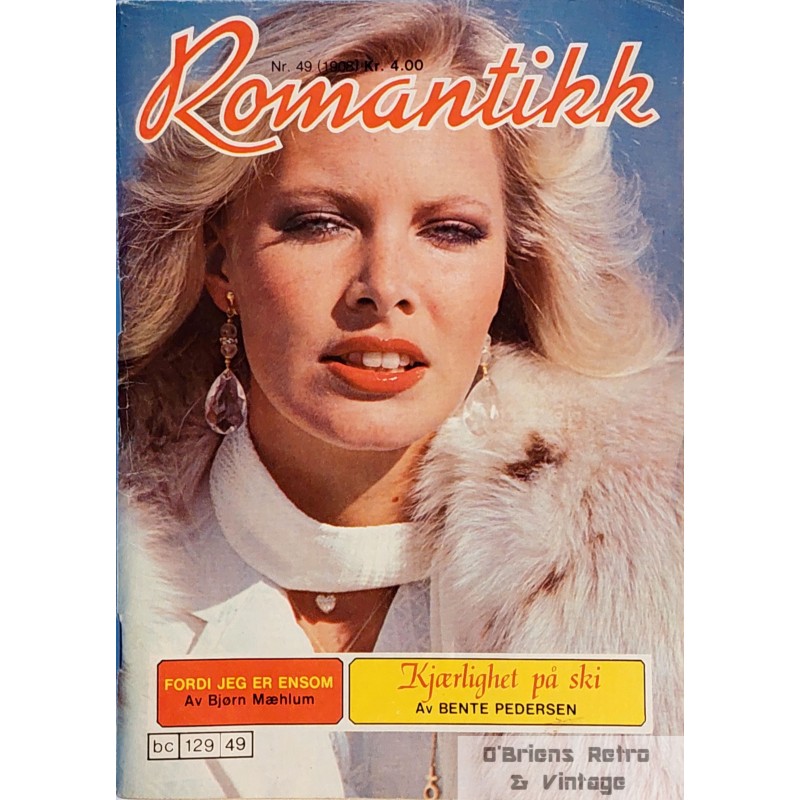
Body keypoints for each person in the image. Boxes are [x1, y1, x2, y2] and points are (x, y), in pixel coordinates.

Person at [117, 1, 682, 798]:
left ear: (512, 270)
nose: (384, 287)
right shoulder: (103, 570)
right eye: (319, 223)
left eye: (449, 231)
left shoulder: (679, 567)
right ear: (220, 265)